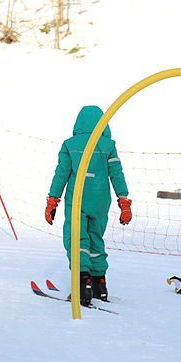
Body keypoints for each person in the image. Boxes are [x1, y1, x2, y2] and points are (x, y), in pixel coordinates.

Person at [45, 105, 132, 305]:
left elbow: (61, 174)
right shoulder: (108, 145)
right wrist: (124, 201)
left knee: (77, 239)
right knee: (95, 238)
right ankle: (99, 285)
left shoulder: (70, 144)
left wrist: (52, 200)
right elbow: (116, 173)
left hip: (77, 200)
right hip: (100, 200)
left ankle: (82, 286)